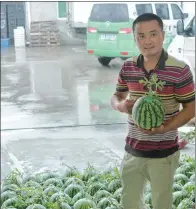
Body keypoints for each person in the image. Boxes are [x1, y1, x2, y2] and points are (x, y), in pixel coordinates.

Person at [111, 13, 195, 209]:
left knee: (161, 204)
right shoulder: (128, 66)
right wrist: (120, 105)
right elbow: (117, 96)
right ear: (134, 38)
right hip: (133, 151)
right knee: (130, 203)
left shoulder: (179, 69)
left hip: (164, 154)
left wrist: (165, 128)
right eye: (141, 36)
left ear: (163, 36)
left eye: (153, 34)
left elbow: (191, 108)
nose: (147, 41)